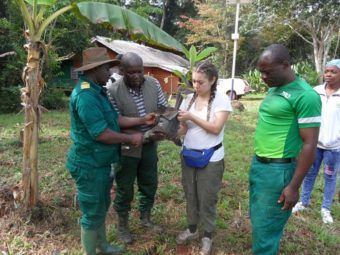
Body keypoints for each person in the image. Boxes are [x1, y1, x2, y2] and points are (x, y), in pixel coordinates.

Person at [66, 47, 156, 255]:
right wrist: (129, 138)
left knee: (101, 206)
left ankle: (103, 246)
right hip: (88, 164)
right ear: (96, 69)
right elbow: (101, 133)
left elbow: (114, 119)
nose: (110, 73)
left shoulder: (98, 90)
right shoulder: (85, 96)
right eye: (107, 68)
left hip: (102, 161)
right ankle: (91, 251)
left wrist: (142, 119)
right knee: (92, 212)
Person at [249, 44, 321, 255]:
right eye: (261, 71)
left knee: (267, 227)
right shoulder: (275, 87)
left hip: (278, 172)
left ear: (286, 65)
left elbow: (310, 144)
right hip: (260, 166)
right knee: (260, 221)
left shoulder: (306, 96)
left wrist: (293, 186)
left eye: (267, 72)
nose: (263, 76)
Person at [106, 52, 168, 244]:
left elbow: (163, 108)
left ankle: (145, 218)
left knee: (149, 182)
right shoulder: (113, 90)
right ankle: (123, 226)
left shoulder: (153, 84)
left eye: (139, 71)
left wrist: (157, 123)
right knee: (124, 187)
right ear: (122, 71)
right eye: (131, 72)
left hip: (150, 145)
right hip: (126, 147)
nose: (136, 76)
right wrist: (139, 127)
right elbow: (115, 121)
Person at [176, 61, 232, 255]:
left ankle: (207, 235)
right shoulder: (189, 99)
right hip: (189, 154)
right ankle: (192, 228)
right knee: (190, 193)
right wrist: (175, 129)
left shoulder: (221, 100)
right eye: (193, 82)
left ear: (213, 80)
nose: (196, 86)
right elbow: (184, 129)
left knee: (207, 197)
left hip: (211, 157)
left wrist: (191, 117)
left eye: (201, 82)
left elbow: (215, 128)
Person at [292, 59, 340, 224]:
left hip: (334, 148)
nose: (328, 74)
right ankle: (303, 202)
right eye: (327, 71)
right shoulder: (316, 91)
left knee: (330, 177)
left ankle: (325, 208)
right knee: (309, 173)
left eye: (333, 71)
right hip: (314, 145)